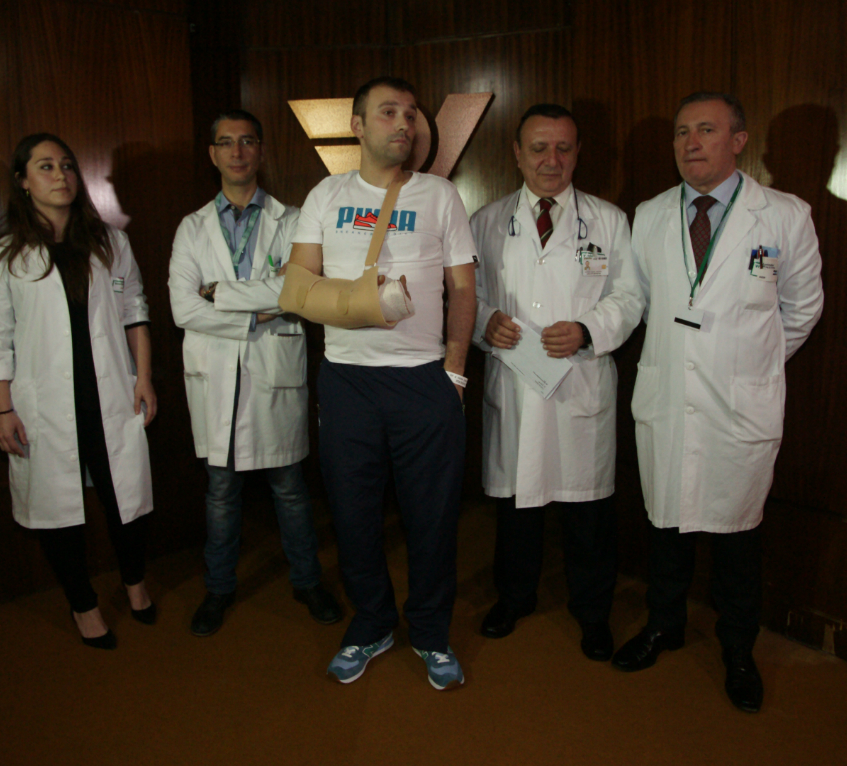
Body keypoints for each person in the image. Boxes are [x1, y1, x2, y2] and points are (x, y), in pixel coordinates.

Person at [609, 93, 824, 713]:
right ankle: (663, 626)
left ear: (739, 141)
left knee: (738, 538)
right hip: (668, 397)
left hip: (738, 406)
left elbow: (803, 309)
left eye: (706, 129)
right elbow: (633, 297)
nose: (691, 142)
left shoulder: (785, 215)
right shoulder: (650, 214)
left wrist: (747, 363)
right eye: (682, 132)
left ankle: (737, 650)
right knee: (666, 527)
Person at [286, 77, 477, 690]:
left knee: (433, 518)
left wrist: (454, 372)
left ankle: (431, 632)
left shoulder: (440, 195)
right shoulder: (326, 195)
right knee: (353, 515)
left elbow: (464, 289)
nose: (403, 123)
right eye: (388, 112)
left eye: (411, 114)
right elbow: (300, 287)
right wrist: (367, 302)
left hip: (424, 379)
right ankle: (371, 624)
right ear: (357, 125)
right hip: (348, 381)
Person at [470, 104, 641, 661]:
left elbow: (630, 297)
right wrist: (483, 323)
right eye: (539, 148)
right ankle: (513, 598)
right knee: (516, 508)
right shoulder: (486, 221)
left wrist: (589, 330)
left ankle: (592, 613)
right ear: (517, 154)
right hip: (516, 385)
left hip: (578, 385)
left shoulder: (608, 221)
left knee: (587, 513)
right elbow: (466, 295)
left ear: (578, 153)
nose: (552, 159)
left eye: (564, 148)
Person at [0, 133, 157, 650]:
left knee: (126, 501)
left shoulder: (110, 242)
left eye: (68, 165)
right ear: (23, 182)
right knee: (58, 510)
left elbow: (135, 310)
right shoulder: (3, 257)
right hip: (45, 407)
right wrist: (2, 409)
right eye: (46, 166)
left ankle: (135, 582)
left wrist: (143, 378)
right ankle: (83, 604)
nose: (61, 175)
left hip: (111, 396)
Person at [169, 109, 341, 636]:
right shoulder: (192, 227)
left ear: (261, 151)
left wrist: (220, 294)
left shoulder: (294, 221)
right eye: (226, 142)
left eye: (247, 141)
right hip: (217, 372)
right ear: (213, 154)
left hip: (273, 370)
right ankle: (218, 588)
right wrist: (260, 311)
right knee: (221, 491)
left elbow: (300, 291)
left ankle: (307, 581)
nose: (237, 152)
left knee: (290, 488)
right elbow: (182, 308)